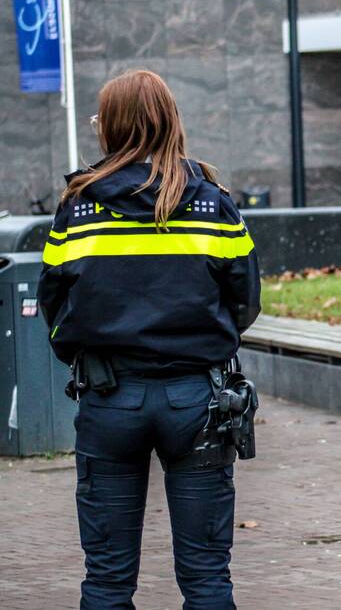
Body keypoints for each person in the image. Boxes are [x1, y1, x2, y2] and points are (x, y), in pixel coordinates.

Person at [38, 70, 261, 609]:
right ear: (169, 121)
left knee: (107, 581)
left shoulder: (79, 208)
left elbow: (54, 305)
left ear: (111, 127)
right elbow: (246, 299)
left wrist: (93, 355)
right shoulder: (212, 202)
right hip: (198, 401)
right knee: (208, 577)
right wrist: (202, 341)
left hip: (110, 399)